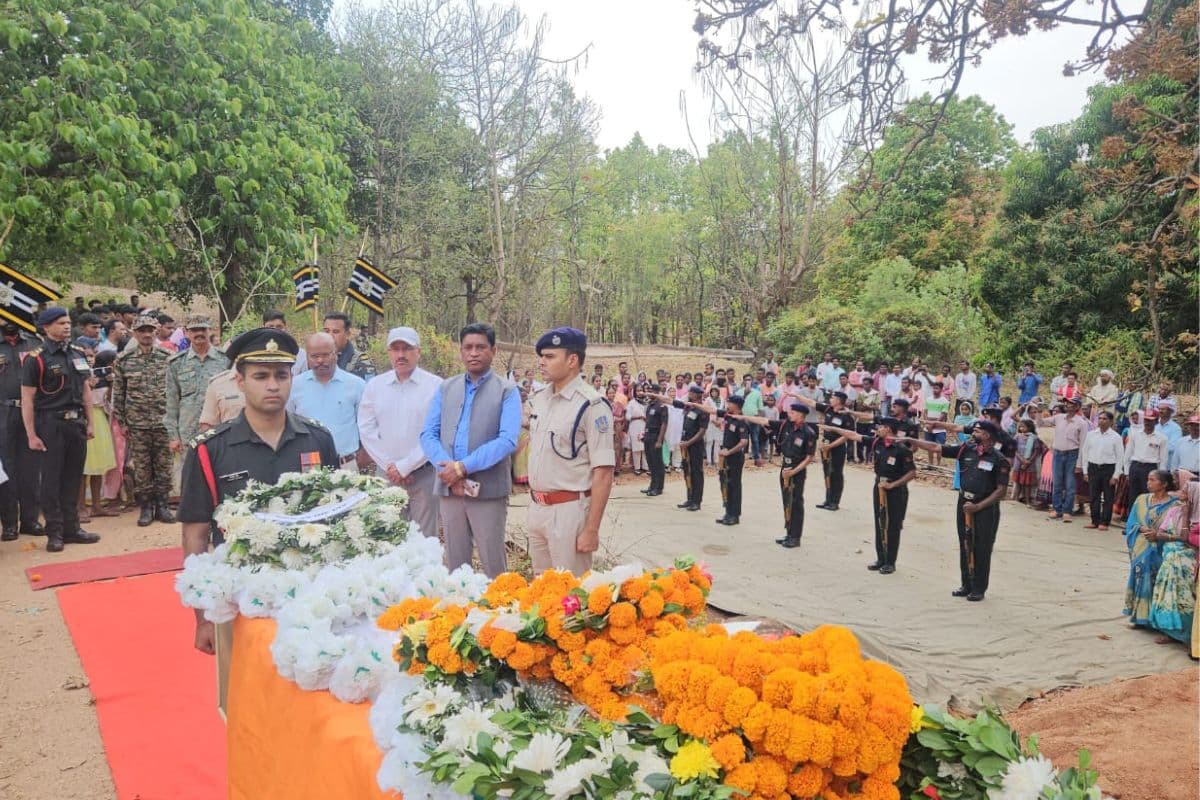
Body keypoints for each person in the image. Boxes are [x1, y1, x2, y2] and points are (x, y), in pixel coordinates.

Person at [179, 328, 339, 654]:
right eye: (260, 376)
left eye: (281, 375)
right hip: (240, 603)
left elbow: (335, 521)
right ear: (240, 382)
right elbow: (195, 536)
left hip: (310, 601)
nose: (272, 385)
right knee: (246, 700)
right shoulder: (210, 451)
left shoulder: (318, 440)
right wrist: (203, 617)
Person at [420, 323, 519, 578]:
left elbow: (508, 440)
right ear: (461, 351)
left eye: (480, 347)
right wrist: (447, 468)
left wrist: (463, 467)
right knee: (456, 565)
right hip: (449, 488)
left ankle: (498, 615)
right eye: (468, 347)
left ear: (493, 351)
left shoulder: (506, 391)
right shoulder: (446, 388)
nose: (473, 353)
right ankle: (459, 613)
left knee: (493, 564)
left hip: (487, 491)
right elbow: (428, 434)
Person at [525, 327, 615, 576]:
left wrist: (591, 529)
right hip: (538, 508)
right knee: (542, 592)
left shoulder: (592, 405)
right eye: (541, 356)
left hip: (569, 512)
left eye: (550, 356)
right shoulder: (541, 398)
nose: (542, 362)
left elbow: (604, 472)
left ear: (572, 360)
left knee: (572, 594)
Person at [20, 308, 101, 552]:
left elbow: (86, 389)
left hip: (75, 424)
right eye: (60, 323)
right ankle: (54, 532)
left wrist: (91, 422)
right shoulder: (37, 358)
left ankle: (72, 528)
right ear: (46, 327)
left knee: (73, 478)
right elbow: (27, 399)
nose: (67, 327)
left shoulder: (77, 353)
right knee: (51, 481)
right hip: (50, 424)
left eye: (67, 322)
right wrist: (31, 434)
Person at [908, 420, 1010, 601]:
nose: (973, 433)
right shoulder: (966, 449)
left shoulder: (998, 459)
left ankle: (979, 588)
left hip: (984, 506)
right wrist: (913, 441)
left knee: (981, 547)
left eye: (977, 431)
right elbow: (936, 447)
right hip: (964, 502)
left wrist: (978, 506)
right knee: (965, 542)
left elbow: (1001, 490)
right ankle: (966, 583)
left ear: (987, 435)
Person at [358, 326, 443, 540]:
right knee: (388, 540)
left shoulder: (436, 386)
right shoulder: (376, 386)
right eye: (395, 349)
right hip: (386, 475)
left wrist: (406, 466)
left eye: (407, 348)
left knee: (424, 541)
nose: (401, 355)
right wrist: (391, 467)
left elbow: (436, 431)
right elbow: (366, 429)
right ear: (388, 352)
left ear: (418, 352)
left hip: (423, 475)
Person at [112, 314, 175, 527]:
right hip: (137, 424)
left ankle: (163, 505)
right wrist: (122, 422)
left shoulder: (168, 357)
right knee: (142, 467)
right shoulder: (124, 360)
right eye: (142, 331)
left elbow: (175, 392)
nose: (146, 334)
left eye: (150, 330)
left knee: (164, 465)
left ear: (155, 332)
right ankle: (146, 507)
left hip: (163, 422)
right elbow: (118, 394)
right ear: (135, 333)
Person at [840, 417, 916, 574]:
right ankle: (880, 558)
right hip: (879, 486)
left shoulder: (902, 449)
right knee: (879, 522)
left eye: (880, 427)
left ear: (888, 429)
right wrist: (834, 429)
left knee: (892, 525)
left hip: (894, 489)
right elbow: (853, 435)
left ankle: (890, 561)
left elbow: (912, 472)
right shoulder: (877, 443)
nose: (877, 430)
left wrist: (893, 485)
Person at [165, 315, 227, 494]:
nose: (199, 333)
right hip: (188, 430)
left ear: (210, 331)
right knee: (191, 474)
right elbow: (171, 401)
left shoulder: (224, 360)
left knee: (220, 471)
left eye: (203, 329)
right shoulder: (176, 363)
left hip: (219, 428)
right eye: (194, 330)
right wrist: (173, 435)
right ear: (186, 333)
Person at [287, 332, 366, 472]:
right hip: (309, 466)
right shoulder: (294, 386)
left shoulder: (357, 385)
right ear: (307, 357)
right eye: (315, 356)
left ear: (335, 354)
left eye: (325, 355)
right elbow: (287, 425)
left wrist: (363, 457)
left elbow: (368, 426)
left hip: (346, 465)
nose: (320, 361)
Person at [0, 320, 43, 540]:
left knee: (31, 469)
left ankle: (30, 520)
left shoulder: (34, 343)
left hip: (30, 414)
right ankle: (9, 524)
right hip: (3, 414)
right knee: (6, 472)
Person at [1122, 469, 1179, 629]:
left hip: (1160, 545)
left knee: (1157, 579)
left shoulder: (1174, 505)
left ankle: (1155, 619)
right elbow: (1131, 523)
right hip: (1141, 544)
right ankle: (1138, 616)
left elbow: (1175, 529)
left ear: (1164, 484)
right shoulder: (1141, 500)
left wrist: (1158, 535)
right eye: (1148, 479)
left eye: (1152, 480)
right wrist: (1141, 529)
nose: (1148, 483)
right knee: (1140, 575)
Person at [1148, 477, 1197, 646]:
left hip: (1187, 560)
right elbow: (1161, 530)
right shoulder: (1174, 510)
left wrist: (1187, 513)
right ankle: (1168, 631)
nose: (1180, 494)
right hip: (1169, 556)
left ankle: (1187, 634)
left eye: (1185, 491)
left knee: (1185, 597)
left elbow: (1186, 537)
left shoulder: (1195, 516)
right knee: (1166, 594)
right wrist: (1163, 536)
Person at [80, 345, 118, 522]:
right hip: (84, 420)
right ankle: (80, 507)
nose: (89, 358)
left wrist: (110, 383)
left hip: (100, 419)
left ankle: (96, 505)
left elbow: (109, 403)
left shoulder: (100, 375)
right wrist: (86, 386)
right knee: (82, 468)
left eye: (91, 355)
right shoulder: (78, 375)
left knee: (99, 466)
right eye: (86, 356)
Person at [1037, 398, 1091, 523]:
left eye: (1072, 404)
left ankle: (1067, 510)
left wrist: (1079, 464)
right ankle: (1057, 509)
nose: (1068, 405)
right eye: (1067, 403)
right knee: (1057, 483)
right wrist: (1039, 412)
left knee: (1070, 484)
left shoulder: (1081, 423)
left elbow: (1083, 444)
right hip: (1058, 453)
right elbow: (1040, 423)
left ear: (1077, 406)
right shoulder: (1059, 417)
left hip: (1072, 454)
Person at [775, 401, 816, 548]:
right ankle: (789, 532)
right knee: (786, 500)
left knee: (796, 502)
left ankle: (795, 537)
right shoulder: (788, 426)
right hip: (785, 467)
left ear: (800, 415)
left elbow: (809, 457)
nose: (789, 414)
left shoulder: (808, 433)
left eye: (792, 412)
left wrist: (794, 471)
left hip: (796, 470)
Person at [1080, 411, 1125, 530]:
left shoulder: (1116, 437)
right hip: (1093, 467)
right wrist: (1085, 471)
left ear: (1110, 421)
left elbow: (1120, 458)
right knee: (1094, 496)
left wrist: (1116, 475)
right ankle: (1094, 520)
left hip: (1108, 469)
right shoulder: (1091, 435)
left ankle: (1104, 522)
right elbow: (1085, 453)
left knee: (1108, 496)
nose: (1101, 421)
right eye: (1100, 418)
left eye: (1105, 419)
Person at [814, 391, 854, 511]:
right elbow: (812, 403)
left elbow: (846, 436)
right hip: (825, 447)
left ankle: (835, 502)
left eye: (832, 398)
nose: (830, 399)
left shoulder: (847, 416)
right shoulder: (829, 410)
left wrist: (831, 446)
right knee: (827, 473)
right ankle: (828, 499)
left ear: (838, 400)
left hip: (837, 449)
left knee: (836, 474)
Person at [715, 394, 750, 526]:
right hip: (725, 455)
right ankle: (728, 512)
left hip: (734, 457)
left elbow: (744, 442)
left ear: (736, 405)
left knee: (734, 485)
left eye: (729, 403)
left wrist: (729, 451)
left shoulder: (741, 421)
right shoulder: (728, 417)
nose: (727, 405)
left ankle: (734, 515)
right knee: (725, 483)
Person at [676, 384, 708, 511]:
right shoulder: (689, 407)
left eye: (691, 393)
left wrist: (688, 442)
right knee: (687, 471)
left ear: (696, 395)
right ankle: (689, 498)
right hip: (686, 444)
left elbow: (701, 431)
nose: (689, 394)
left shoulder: (703, 410)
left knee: (696, 473)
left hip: (695, 446)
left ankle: (696, 501)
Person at [1124, 409, 1170, 499]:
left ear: (1156, 421)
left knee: (1148, 496)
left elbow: (1163, 460)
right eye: (1146, 420)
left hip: (1150, 468)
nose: (1147, 423)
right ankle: (1133, 513)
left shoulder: (1162, 438)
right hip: (1135, 467)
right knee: (1133, 496)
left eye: (1150, 420)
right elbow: (1128, 454)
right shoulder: (1134, 434)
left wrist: (1160, 476)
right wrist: (1126, 472)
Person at [322, 312, 376, 381]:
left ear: (347, 334)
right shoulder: (317, 359)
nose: (330, 336)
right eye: (326, 331)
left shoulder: (361, 362)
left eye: (335, 332)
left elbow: (371, 389)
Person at [640, 386, 668, 497]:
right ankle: (652, 486)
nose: (649, 394)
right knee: (651, 462)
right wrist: (644, 435)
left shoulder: (662, 406)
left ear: (657, 393)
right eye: (649, 392)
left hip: (656, 436)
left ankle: (658, 488)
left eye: (651, 392)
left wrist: (660, 440)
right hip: (648, 436)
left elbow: (664, 424)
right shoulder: (650, 405)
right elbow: (648, 422)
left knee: (657, 463)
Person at [1011, 418, 1043, 505]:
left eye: (1023, 427)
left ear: (1029, 427)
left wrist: (1028, 461)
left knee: (1027, 484)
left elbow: (1036, 451)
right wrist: (1022, 460)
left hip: (1030, 465)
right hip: (1018, 463)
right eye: (1020, 427)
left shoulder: (1034, 438)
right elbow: (1015, 450)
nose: (1021, 429)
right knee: (1018, 482)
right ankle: (1016, 499)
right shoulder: (1017, 436)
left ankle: (1028, 500)